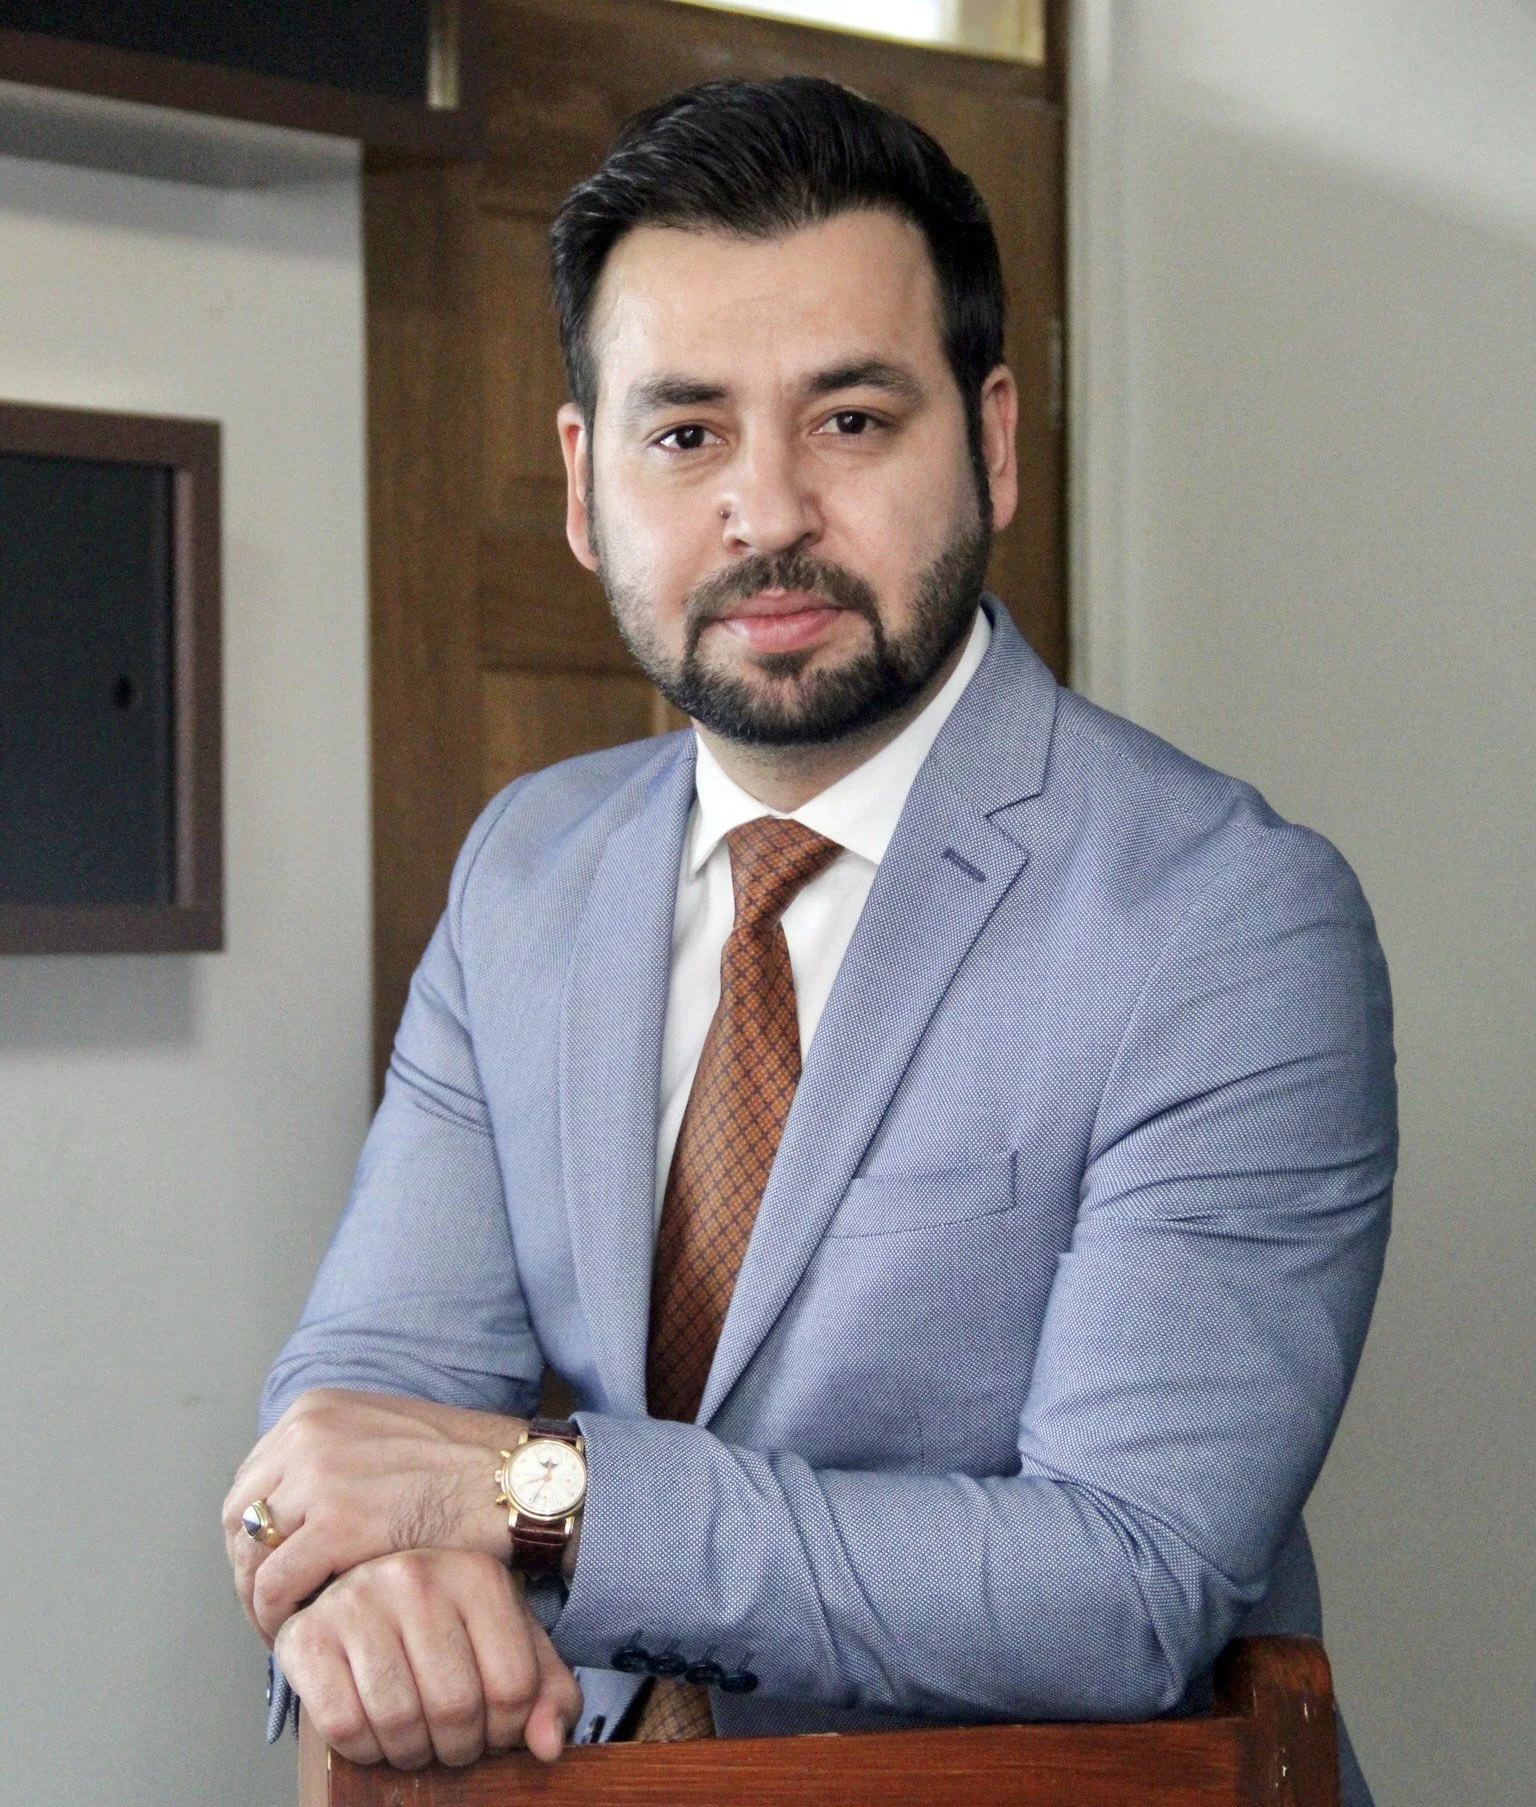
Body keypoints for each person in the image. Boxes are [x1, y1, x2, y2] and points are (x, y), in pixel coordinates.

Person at [223, 78, 1394, 1805]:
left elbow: (1124, 1581)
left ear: (992, 441)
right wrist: (354, 1580)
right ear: (582, 479)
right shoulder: (527, 867)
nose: (765, 513)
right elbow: (374, 1386)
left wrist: (535, 1496)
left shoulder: (1229, 918)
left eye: (850, 421)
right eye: (684, 432)